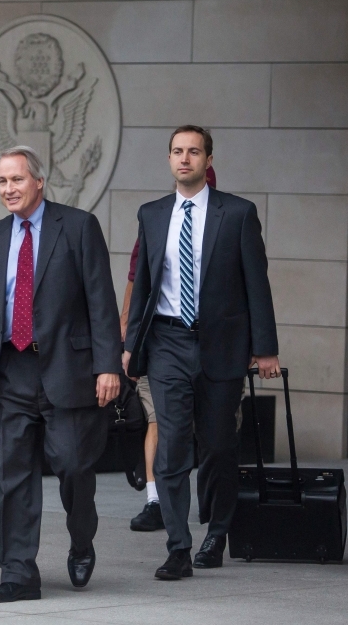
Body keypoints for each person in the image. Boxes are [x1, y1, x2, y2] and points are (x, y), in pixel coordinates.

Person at [124, 125, 279, 580]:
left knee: (217, 445)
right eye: (177, 151)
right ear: (169, 159)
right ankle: (178, 546)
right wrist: (131, 347)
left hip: (221, 345)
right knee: (172, 444)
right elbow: (145, 289)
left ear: (208, 160)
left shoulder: (238, 213)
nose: (185, 159)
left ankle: (217, 532)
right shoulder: (152, 214)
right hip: (168, 341)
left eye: (194, 151)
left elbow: (257, 284)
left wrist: (265, 347)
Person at [0, 145, 120, 603]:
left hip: (67, 369)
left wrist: (108, 366)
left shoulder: (77, 227)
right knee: (11, 475)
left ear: (38, 180)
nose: (8, 189)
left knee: (74, 465)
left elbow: (101, 301)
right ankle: (18, 575)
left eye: (17, 179)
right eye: (1, 182)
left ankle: (81, 538)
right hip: (10, 373)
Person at [123, 168, 217, 533]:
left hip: (212, 344)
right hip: (161, 340)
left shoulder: (225, 220)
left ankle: (211, 501)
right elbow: (137, 278)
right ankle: (155, 501)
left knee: (216, 433)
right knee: (158, 422)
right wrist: (128, 339)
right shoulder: (159, 218)